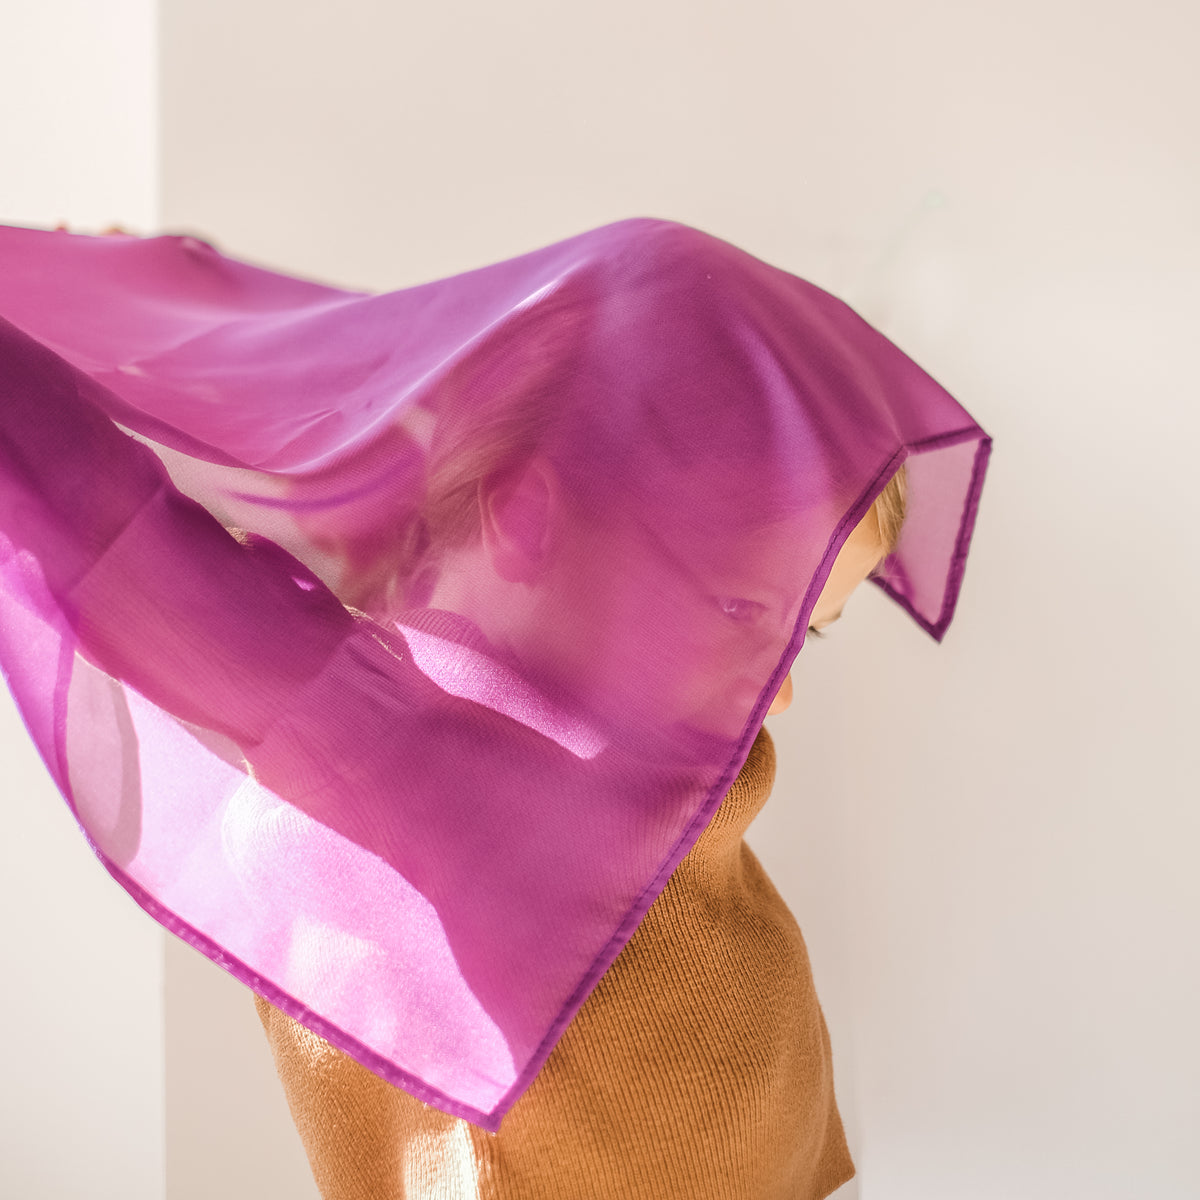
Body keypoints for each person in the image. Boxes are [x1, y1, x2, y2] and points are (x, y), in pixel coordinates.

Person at [0, 217, 989, 1198]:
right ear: (525, 521)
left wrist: (133, 289)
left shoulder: (624, 727)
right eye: (743, 613)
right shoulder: (389, 743)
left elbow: (383, 407)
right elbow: (109, 530)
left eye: (807, 633)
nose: (779, 692)